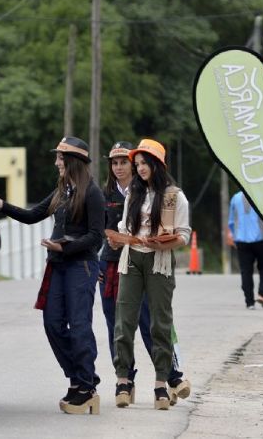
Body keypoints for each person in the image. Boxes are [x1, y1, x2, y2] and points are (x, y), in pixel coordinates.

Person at [0, 136, 104, 415]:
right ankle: (78, 378)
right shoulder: (63, 190)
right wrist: (2, 205)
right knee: (52, 322)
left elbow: (96, 238)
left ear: (72, 161)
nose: (56, 162)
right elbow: (32, 215)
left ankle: (86, 387)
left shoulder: (92, 193)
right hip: (59, 265)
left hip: (81, 266)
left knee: (79, 325)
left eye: (60, 158)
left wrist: (67, 245)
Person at [98, 141, 190, 406]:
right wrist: (117, 239)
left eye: (144, 163)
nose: (139, 169)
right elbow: (127, 227)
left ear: (157, 164)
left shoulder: (174, 196)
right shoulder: (133, 195)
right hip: (131, 260)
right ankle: (123, 381)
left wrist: (164, 243)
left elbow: (183, 235)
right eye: (136, 164)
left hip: (159, 261)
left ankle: (162, 385)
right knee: (123, 322)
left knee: (160, 323)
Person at [228, 191, 263, 309]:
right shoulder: (262, 195)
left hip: (242, 240)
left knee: (246, 271)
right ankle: (262, 294)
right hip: (261, 239)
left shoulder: (235, 197)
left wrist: (235, 236)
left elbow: (231, 222)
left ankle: (249, 302)